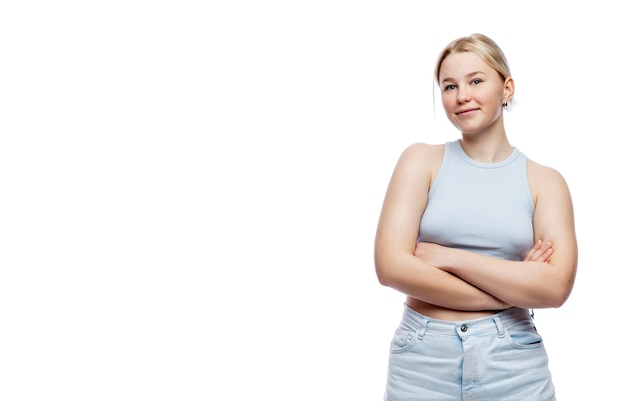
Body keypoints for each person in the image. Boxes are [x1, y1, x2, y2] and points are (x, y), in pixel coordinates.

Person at [374, 33, 578, 400]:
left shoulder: (545, 182)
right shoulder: (421, 161)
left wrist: (449, 257)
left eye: (476, 81)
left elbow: (556, 287)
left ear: (507, 88)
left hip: (512, 361)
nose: (461, 95)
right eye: (449, 86)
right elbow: (390, 267)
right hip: (422, 363)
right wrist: (512, 291)